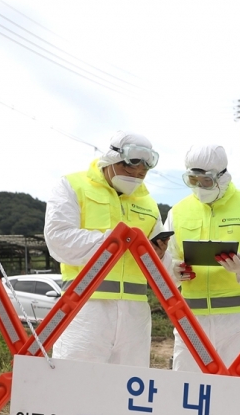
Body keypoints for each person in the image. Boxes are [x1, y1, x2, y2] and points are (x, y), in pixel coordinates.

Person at [44, 131, 169, 366]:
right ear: (111, 159)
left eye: (142, 174)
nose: (135, 176)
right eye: (129, 170)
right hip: (84, 306)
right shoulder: (72, 185)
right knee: (75, 384)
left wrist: (159, 255)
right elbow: (58, 240)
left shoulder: (149, 203)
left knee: (128, 390)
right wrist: (117, 243)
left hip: (135, 313)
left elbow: (162, 268)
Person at [166, 145, 240, 377]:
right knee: (187, 390)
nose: (199, 187)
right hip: (192, 321)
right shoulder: (178, 212)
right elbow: (166, 258)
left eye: (206, 181)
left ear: (222, 176)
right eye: (193, 179)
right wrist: (174, 270)